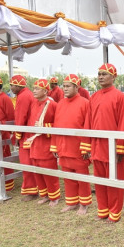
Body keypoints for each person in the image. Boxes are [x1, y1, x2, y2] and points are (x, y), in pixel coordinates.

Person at [81, 63, 124, 223]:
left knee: (114, 181)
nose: (100, 77)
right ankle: (103, 210)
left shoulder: (120, 97)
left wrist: (120, 149)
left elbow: (123, 123)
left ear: (114, 77)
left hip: (113, 147)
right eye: (99, 74)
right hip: (97, 146)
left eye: (104, 74)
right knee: (99, 180)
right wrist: (86, 145)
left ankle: (115, 212)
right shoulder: (93, 97)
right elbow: (88, 122)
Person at [50, 74, 92, 214]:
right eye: (64, 86)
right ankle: (71, 202)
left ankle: (84, 204)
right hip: (63, 145)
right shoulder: (60, 103)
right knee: (67, 176)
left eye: (68, 86)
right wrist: (54, 145)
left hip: (78, 147)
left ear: (76, 87)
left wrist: (86, 146)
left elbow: (88, 127)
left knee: (81, 177)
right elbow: (56, 125)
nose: (65, 88)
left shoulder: (85, 102)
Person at [24, 79, 60, 207]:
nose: (34, 91)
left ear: (45, 91)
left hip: (46, 143)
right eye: (33, 88)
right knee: (37, 170)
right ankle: (44, 195)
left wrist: (44, 126)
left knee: (49, 171)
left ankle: (54, 196)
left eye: (37, 89)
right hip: (35, 142)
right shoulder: (34, 103)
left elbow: (58, 124)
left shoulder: (52, 104)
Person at [10, 75, 38, 201]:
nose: (11, 88)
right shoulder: (27, 94)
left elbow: (21, 118)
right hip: (30, 133)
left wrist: (17, 135)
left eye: (12, 85)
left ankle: (31, 190)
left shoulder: (23, 96)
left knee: (26, 162)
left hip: (26, 135)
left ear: (18, 85)